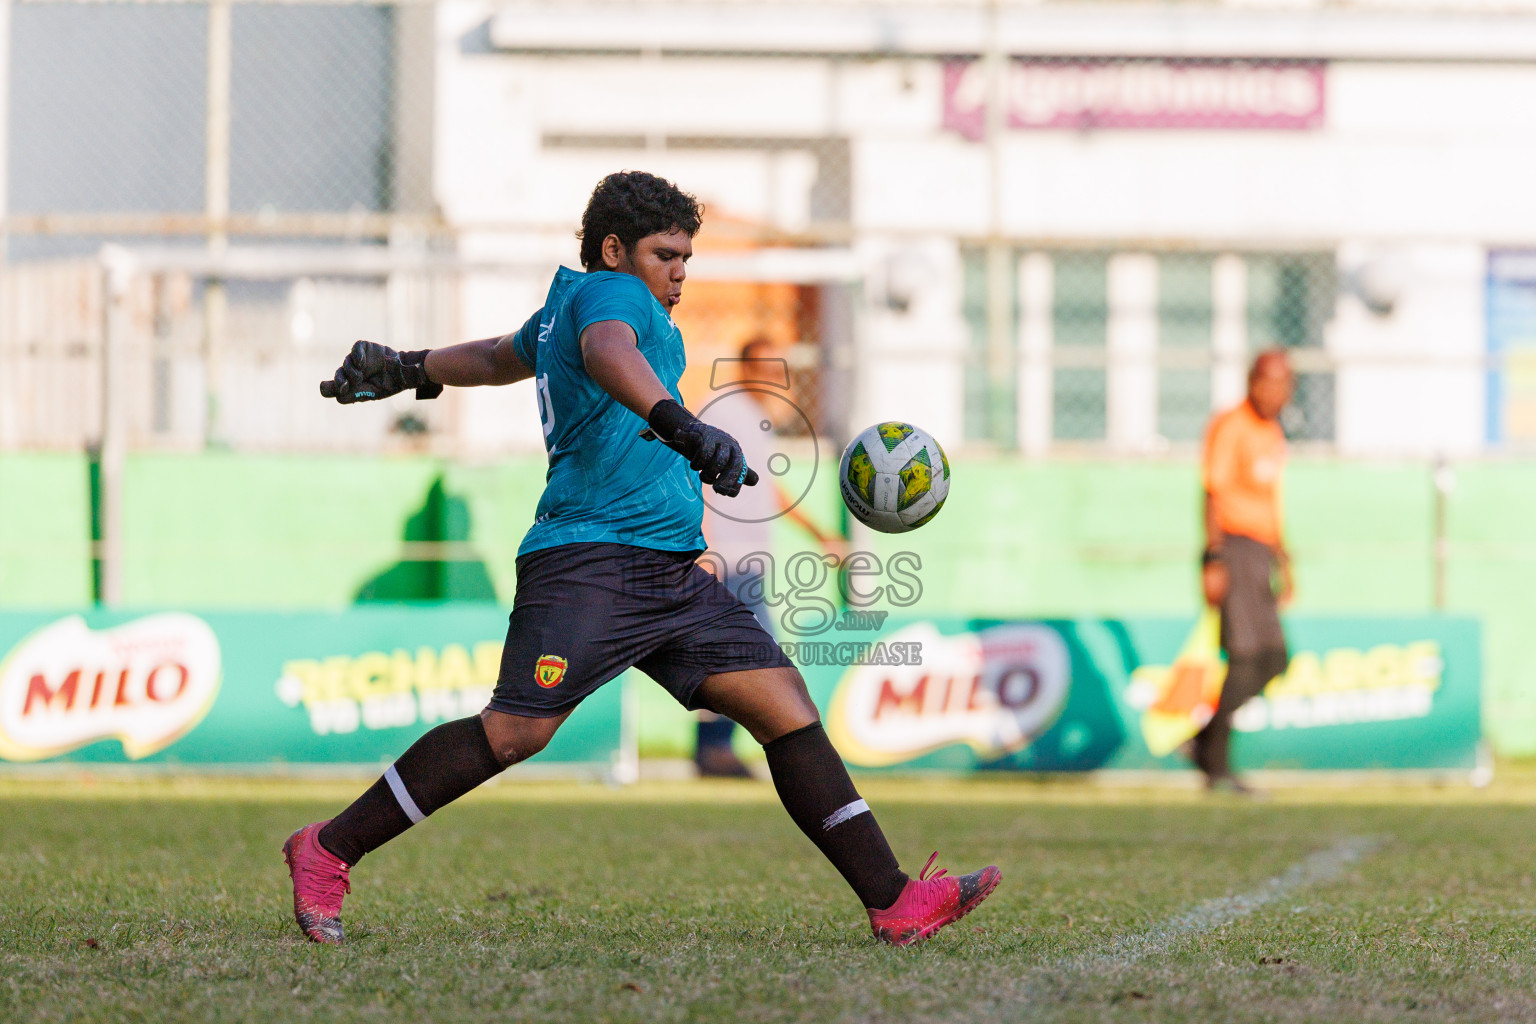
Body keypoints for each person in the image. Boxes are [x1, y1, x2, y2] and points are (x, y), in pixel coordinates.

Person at [284, 171, 999, 947]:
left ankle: (894, 900)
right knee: (514, 733)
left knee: (785, 706)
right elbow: (605, 351)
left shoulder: (567, 304)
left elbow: (497, 356)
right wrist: (682, 425)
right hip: (592, 560)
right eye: (666, 254)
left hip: (667, 571)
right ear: (615, 249)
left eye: (687, 256)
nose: (680, 271)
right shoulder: (611, 299)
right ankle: (327, 849)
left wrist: (411, 366)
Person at [693, 338, 843, 777]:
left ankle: (713, 749)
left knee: (736, 653)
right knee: (754, 655)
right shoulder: (723, 410)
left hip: (750, 561)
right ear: (745, 367)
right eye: (765, 366)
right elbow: (693, 473)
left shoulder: (757, 418)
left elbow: (766, 488)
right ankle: (724, 749)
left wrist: (818, 534)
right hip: (726, 558)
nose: (775, 377)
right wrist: (702, 548)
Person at [1192, 349, 1295, 793]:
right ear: (1253, 382)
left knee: (1274, 658)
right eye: (1269, 382)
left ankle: (1203, 741)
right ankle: (1216, 764)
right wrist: (1213, 558)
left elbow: (1271, 500)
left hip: (1261, 553)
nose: (1276, 392)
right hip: (1232, 547)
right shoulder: (1230, 425)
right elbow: (1212, 492)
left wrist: (1284, 560)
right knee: (1245, 655)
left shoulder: (1272, 431)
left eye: (1284, 384)